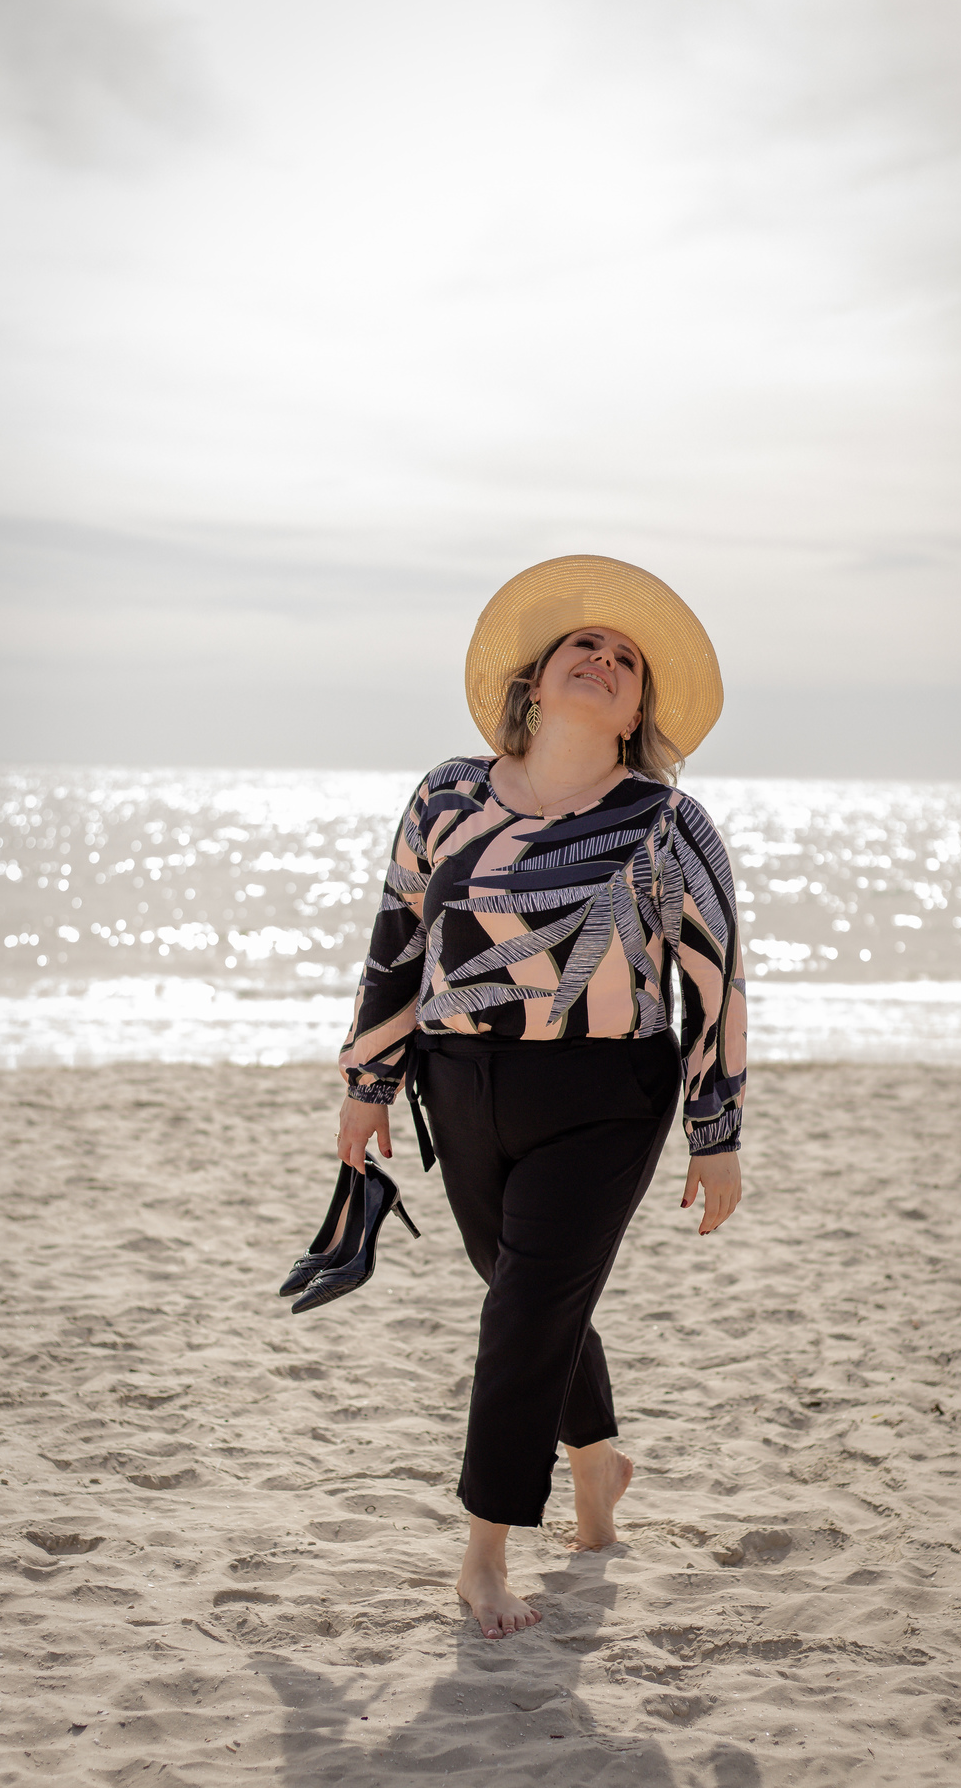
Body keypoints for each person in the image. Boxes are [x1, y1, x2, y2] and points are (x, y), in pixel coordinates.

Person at [335, 554, 747, 1640]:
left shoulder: (667, 823)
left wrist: (715, 1132)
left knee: (520, 1312)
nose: (604, 660)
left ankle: (484, 1556)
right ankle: (598, 1460)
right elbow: (398, 937)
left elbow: (714, 981)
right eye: (584, 645)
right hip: (457, 1082)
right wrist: (369, 1082)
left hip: (604, 1096)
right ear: (534, 680)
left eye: (626, 661)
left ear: (636, 714)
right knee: (525, 1290)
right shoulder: (448, 795)